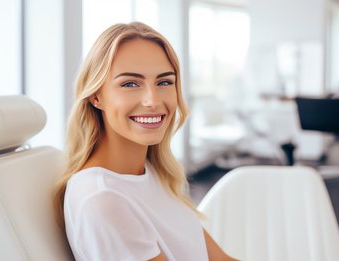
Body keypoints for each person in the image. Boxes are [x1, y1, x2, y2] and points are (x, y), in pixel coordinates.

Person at [54, 22, 237, 261]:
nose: (152, 100)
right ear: (96, 96)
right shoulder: (103, 199)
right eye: (130, 84)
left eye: (164, 82)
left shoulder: (153, 173)